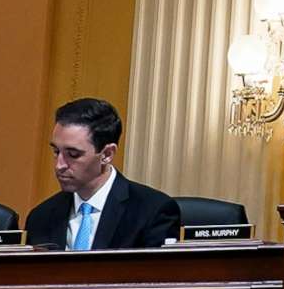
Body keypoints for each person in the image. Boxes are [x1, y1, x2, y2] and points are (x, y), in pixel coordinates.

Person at [22, 97, 182, 250]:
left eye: (73, 154)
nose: (59, 165)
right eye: (56, 152)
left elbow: (157, 276)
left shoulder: (152, 211)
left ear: (107, 154)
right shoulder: (40, 217)